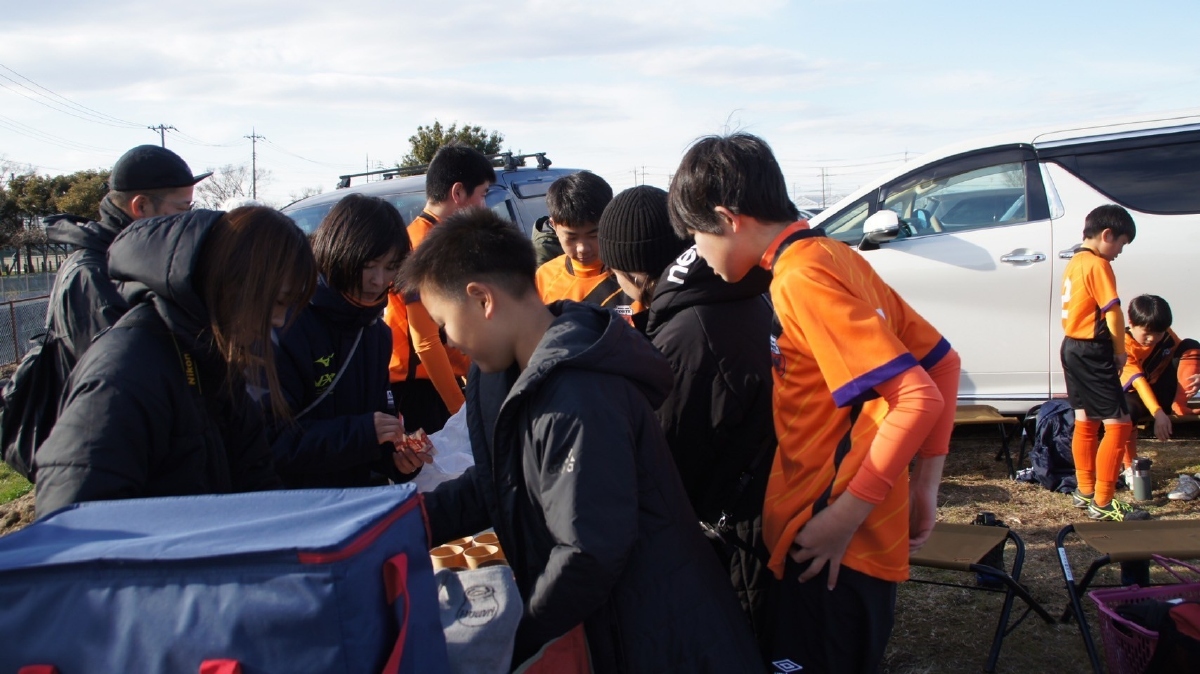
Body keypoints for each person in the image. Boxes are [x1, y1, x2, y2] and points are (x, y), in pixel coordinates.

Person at [405, 209, 762, 672]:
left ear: (482, 299)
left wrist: (520, 640)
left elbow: (589, 550)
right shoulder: (506, 376)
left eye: (444, 322)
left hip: (652, 630)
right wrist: (405, 523)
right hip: (604, 626)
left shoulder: (579, 394)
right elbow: (502, 478)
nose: (448, 341)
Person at [668, 133, 960, 674]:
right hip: (854, 534)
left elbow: (917, 395)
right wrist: (924, 486)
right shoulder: (834, 255)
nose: (699, 255)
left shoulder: (800, 279)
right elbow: (943, 362)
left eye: (696, 237)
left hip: (829, 539)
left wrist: (844, 516)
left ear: (728, 219)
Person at [33, 207, 315, 517]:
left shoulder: (212, 358)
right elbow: (71, 520)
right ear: (231, 280)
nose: (278, 320)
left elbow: (257, 481)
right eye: (276, 302)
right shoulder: (127, 374)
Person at [597, 184, 777, 655]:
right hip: (775, 506)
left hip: (747, 539)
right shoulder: (733, 291)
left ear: (634, 272)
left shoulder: (688, 335)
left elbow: (669, 467)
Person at [268, 195, 427, 488]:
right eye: (369, 265)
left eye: (391, 267)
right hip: (292, 504)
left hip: (353, 502)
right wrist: (363, 433)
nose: (379, 280)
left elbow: (378, 427)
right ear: (338, 253)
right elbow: (270, 442)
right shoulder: (286, 324)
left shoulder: (377, 334)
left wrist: (398, 460)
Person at [43, 144, 210, 373]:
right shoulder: (94, 274)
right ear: (140, 206)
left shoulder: (130, 262)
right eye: (183, 209)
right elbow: (123, 373)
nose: (187, 221)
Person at [383, 143, 496, 433]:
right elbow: (426, 341)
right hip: (418, 390)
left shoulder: (435, 238)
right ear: (458, 193)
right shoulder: (423, 246)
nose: (484, 206)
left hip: (436, 383)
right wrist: (460, 411)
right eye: (483, 195)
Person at [1060, 204, 1148, 521]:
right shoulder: (1098, 264)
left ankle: (1085, 490)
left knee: (1086, 420)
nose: (1119, 252)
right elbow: (1113, 311)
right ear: (1107, 234)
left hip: (1071, 347)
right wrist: (1120, 349)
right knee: (1119, 424)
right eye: (1121, 244)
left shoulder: (1075, 261)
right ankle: (1104, 501)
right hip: (1093, 350)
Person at [1119, 294, 1200, 493]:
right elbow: (1139, 383)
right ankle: (1130, 466)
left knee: (1192, 345)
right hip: (1136, 394)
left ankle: (1180, 406)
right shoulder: (1123, 344)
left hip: (1160, 389)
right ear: (1132, 323)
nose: (1153, 338)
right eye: (1147, 333)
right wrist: (1158, 413)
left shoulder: (1165, 335)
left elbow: (1183, 352)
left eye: (1159, 333)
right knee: (1126, 409)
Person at [534, 171, 637, 319]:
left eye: (594, 235)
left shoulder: (636, 276)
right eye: (571, 237)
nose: (582, 248)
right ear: (554, 226)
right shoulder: (545, 277)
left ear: (610, 220)